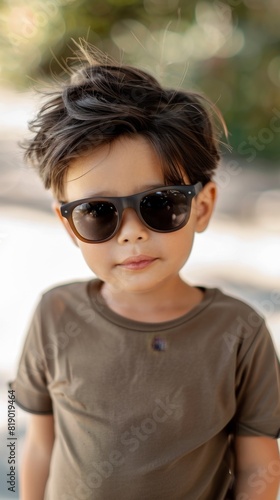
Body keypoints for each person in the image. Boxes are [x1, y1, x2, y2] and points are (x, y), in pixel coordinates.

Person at [11, 42, 280, 500]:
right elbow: (34, 444)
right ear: (69, 225)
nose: (132, 234)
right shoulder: (54, 314)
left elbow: (260, 464)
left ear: (203, 206)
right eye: (98, 212)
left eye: (160, 204)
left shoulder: (239, 333)